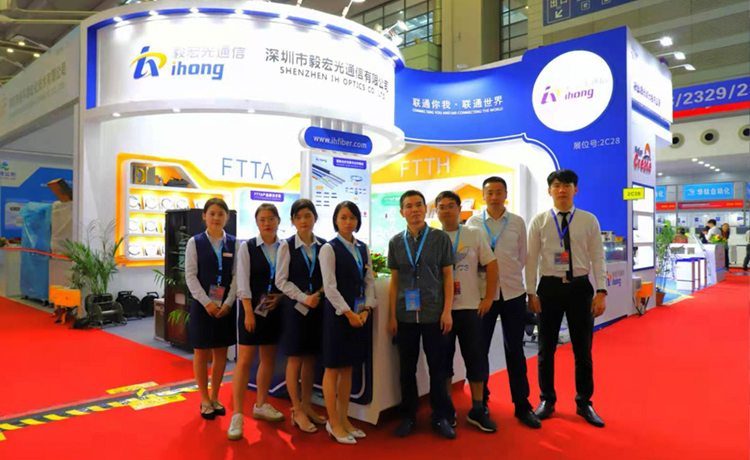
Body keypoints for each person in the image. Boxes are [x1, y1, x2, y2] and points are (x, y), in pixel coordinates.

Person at [526, 169, 608, 428]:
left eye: (567, 185)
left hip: (580, 288)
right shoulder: (539, 221)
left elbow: (598, 257)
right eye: (557, 185)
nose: (561, 190)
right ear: (549, 190)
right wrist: (530, 292)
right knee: (545, 348)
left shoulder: (588, 220)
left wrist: (601, 291)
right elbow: (531, 259)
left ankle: (584, 402)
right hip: (549, 288)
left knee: (583, 349)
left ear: (576, 190)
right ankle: (547, 400)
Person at [467, 176, 540, 429]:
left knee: (515, 351)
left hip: (513, 294)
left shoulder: (517, 222)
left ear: (506, 194)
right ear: (483, 195)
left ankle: (522, 405)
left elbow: (523, 258)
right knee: (480, 350)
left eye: (499, 192)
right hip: (483, 296)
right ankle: (482, 402)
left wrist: (523, 288)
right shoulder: (473, 223)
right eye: (490, 193)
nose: (495, 197)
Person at [387, 190, 456, 439]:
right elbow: (395, 281)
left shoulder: (440, 238)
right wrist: (392, 316)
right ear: (402, 212)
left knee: (438, 367)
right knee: (407, 369)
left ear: (426, 209)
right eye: (409, 206)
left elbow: (448, 276)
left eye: (418, 205)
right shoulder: (396, 242)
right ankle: (408, 416)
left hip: (434, 313)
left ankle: (441, 417)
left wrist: (447, 311)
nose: (414, 209)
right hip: (405, 316)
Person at [435, 191, 498, 433]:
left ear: (459, 208)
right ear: (436, 212)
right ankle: (446, 408)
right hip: (443, 311)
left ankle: (478, 408)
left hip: (471, 308)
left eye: (451, 206)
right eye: (442, 207)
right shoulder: (433, 238)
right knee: (443, 361)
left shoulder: (473, 233)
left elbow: (491, 263)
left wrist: (489, 297)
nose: (446, 211)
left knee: (476, 359)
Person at [227, 204, 285, 441]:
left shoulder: (284, 247)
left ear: (278, 221)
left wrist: (280, 297)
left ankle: (261, 405)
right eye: (262, 219)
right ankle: (237, 415)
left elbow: (286, 279)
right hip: (251, 310)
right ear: (257, 222)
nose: (267, 223)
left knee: (268, 359)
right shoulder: (247, 247)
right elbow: (242, 282)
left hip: (273, 310)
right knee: (244, 362)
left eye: (271, 219)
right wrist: (248, 312)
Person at [319, 201, 376, 444]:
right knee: (333, 369)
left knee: (348, 369)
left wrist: (367, 309)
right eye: (343, 217)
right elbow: (329, 287)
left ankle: (344, 419)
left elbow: (369, 281)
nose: (348, 222)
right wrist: (349, 313)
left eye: (352, 217)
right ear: (336, 220)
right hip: (338, 317)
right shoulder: (329, 249)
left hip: (359, 315)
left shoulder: (362, 247)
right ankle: (333, 422)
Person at [276, 199, 327, 433]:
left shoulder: (324, 246)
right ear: (292, 221)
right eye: (299, 217)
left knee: (310, 359)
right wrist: (303, 297)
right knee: (295, 359)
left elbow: (329, 277)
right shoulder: (286, 246)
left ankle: (307, 405)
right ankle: (296, 409)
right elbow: (281, 281)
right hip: (295, 309)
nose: (304, 221)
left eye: (308, 216)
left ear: (315, 217)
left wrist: (317, 295)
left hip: (316, 307)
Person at [184, 198, 237, 420]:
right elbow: (190, 276)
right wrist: (207, 302)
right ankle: (204, 399)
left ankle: (215, 397)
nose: (216, 218)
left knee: (221, 353)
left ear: (227, 217)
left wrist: (228, 303)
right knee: (201, 352)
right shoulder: (194, 242)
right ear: (204, 216)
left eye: (221, 214)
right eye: (212, 213)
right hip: (202, 306)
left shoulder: (234, 243)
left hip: (225, 307)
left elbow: (236, 276)